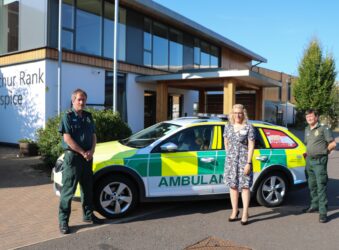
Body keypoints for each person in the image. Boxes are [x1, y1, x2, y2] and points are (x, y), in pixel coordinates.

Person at [58, 89, 103, 234]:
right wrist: (83, 152)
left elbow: (94, 135)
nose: (82, 102)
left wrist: (92, 150)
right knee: (68, 191)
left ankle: (88, 215)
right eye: (79, 99)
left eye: (84, 99)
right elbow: (67, 139)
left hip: (88, 158)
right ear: (73, 101)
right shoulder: (68, 116)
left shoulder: (89, 117)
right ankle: (63, 221)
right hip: (74, 158)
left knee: (87, 188)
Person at [302, 109, 337, 223]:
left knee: (320, 186)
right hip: (309, 161)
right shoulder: (307, 129)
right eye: (307, 117)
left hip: (319, 161)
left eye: (311, 117)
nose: (309, 119)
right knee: (312, 185)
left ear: (316, 117)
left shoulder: (323, 128)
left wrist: (324, 151)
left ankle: (323, 212)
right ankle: (314, 205)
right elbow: (308, 144)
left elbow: (332, 144)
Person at [223, 104, 255, 225]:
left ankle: (245, 213)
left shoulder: (249, 127)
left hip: (244, 162)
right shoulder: (228, 127)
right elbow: (226, 142)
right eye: (235, 113)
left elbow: (251, 146)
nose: (237, 115)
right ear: (232, 114)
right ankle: (235, 211)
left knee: (245, 187)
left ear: (243, 113)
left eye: (240, 113)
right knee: (233, 186)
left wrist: (248, 163)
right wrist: (229, 156)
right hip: (231, 162)